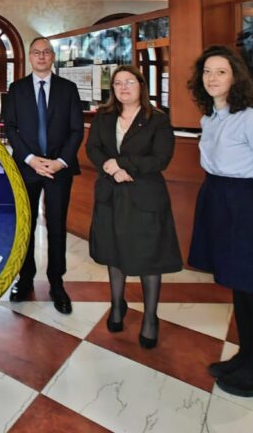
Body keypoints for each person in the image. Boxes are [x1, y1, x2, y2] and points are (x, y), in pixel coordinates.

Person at [187, 45, 253, 398]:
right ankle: (246, 357)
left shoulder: (251, 119)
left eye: (221, 71)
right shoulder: (211, 119)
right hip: (218, 202)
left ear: (235, 78)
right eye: (207, 72)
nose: (212, 78)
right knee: (241, 287)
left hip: (245, 205)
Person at [86, 65, 181, 349]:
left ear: (141, 85)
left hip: (144, 197)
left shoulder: (157, 119)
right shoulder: (104, 117)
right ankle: (117, 304)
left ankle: (150, 318)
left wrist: (123, 165)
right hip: (111, 195)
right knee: (113, 252)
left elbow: (161, 159)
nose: (123, 87)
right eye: (118, 83)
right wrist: (111, 169)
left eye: (129, 82)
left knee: (148, 256)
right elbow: (93, 149)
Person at [2, 37, 84, 313]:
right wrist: (30, 159)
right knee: (26, 226)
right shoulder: (17, 89)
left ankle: (56, 283)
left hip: (59, 169)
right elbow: (10, 127)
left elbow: (76, 130)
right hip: (27, 168)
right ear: (30, 57)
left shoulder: (68, 89)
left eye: (46, 52)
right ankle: (25, 278)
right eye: (36, 52)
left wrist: (60, 162)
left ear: (52, 57)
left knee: (57, 226)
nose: (41, 56)